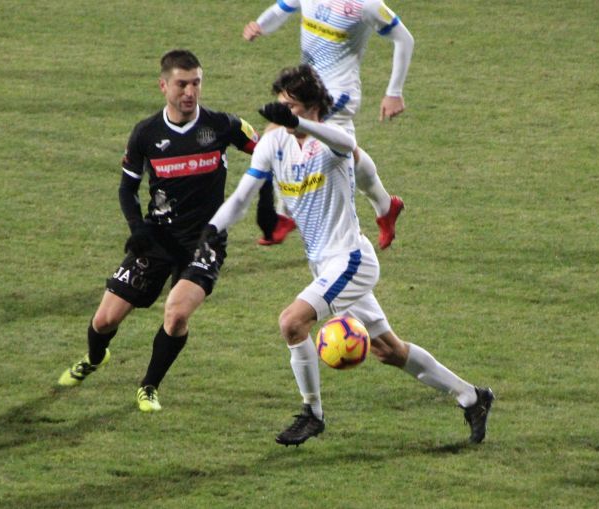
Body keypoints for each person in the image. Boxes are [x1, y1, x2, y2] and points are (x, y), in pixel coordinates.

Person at [195, 65, 493, 446]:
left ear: (314, 107)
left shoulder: (331, 141)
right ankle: (472, 397)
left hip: (351, 262)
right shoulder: (275, 144)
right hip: (325, 265)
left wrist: (300, 123)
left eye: (292, 107)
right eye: (281, 106)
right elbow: (241, 198)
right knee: (389, 350)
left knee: (291, 322)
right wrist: (212, 230)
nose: (284, 114)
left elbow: (344, 142)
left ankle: (312, 414)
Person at [57, 49, 259, 413]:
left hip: (205, 241)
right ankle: (95, 357)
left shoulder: (222, 125)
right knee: (104, 320)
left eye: (196, 83)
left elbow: (268, 150)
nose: (190, 92)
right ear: (163, 86)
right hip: (158, 236)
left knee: (176, 314)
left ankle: (148, 386)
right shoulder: (146, 134)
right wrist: (137, 229)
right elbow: (127, 188)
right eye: (182, 84)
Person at [243, 0, 414, 250]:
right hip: (306, 89)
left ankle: (284, 213)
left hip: (338, 93)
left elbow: (405, 39)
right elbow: (284, 7)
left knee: (280, 131)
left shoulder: (365, 5)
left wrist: (394, 92)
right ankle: (386, 207)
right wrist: (261, 25)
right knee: (346, 152)